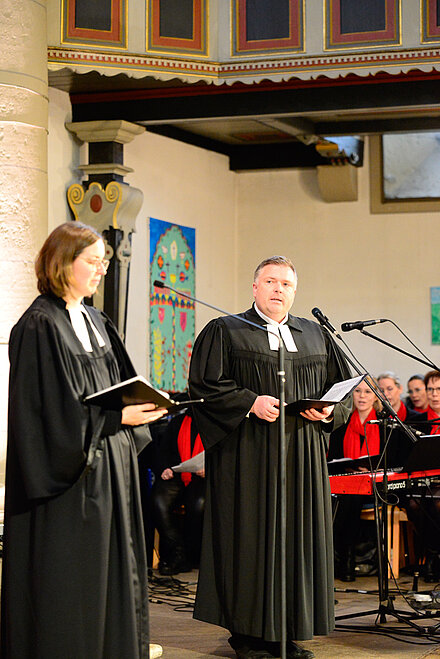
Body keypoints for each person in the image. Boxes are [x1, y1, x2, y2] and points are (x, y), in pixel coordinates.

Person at [1, 222, 168, 659]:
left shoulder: (96, 320)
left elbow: (121, 385)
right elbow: (45, 416)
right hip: (70, 479)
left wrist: (144, 406)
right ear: (62, 262)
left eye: (104, 262)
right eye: (93, 261)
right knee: (73, 581)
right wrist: (116, 418)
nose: (102, 271)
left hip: (111, 468)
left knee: (112, 570)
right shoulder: (39, 326)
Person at [189, 256, 352, 659]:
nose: (279, 289)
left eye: (286, 284)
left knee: (295, 541)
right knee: (251, 541)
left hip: (302, 457)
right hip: (248, 456)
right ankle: (248, 636)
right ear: (255, 287)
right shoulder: (226, 330)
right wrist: (249, 402)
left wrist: (329, 411)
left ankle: (286, 633)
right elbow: (204, 386)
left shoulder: (316, 335)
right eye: (271, 282)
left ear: (294, 291)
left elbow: (343, 388)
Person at [328, 378, 382, 581]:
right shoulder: (342, 424)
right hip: (349, 483)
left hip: (376, 484)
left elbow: (392, 458)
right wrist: (348, 467)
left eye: (367, 392)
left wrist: (371, 469)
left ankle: (345, 559)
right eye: (357, 391)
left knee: (350, 497)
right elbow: (333, 459)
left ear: (376, 397)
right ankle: (346, 558)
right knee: (348, 496)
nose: (362, 396)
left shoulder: (384, 424)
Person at [152, 408, 205, 575]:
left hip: (203, 478)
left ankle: (193, 555)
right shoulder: (177, 422)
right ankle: (177, 552)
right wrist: (164, 468)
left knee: (198, 505)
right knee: (158, 501)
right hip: (177, 474)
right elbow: (163, 453)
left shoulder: (216, 423)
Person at [404, 370, 440, 582]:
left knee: (437, 503)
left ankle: (433, 556)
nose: (434, 394)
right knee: (415, 503)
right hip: (421, 480)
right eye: (430, 389)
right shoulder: (416, 421)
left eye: (439, 389)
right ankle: (433, 552)